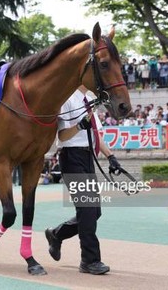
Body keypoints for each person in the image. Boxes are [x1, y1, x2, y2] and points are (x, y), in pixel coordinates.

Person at [45, 86, 122, 275]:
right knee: (87, 210)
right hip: (71, 157)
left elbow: (95, 135)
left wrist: (111, 157)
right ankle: (89, 260)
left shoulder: (89, 101)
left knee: (94, 212)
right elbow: (62, 136)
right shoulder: (67, 99)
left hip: (88, 158)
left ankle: (57, 234)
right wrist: (79, 126)